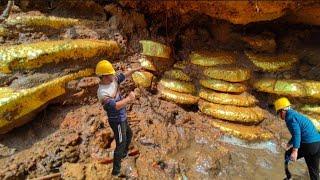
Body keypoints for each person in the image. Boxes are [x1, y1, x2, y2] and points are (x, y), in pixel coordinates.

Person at [96, 60, 141, 176]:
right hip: (116, 121)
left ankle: (124, 154)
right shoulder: (102, 93)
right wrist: (129, 98)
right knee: (120, 143)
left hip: (123, 117)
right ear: (104, 76)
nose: (113, 75)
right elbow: (115, 106)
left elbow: (122, 75)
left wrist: (133, 70)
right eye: (111, 73)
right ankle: (116, 170)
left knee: (129, 135)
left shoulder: (112, 80)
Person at [274, 97, 320, 180]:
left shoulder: (290, 118)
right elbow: (299, 132)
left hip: (309, 145)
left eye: (278, 113)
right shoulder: (296, 115)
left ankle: (289, 176)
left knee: (287, 154)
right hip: (317, 143)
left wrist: (295, 151)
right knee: (314, 172)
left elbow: (297, 134)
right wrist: (289, 143)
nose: (279, 116)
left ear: (282, 111)